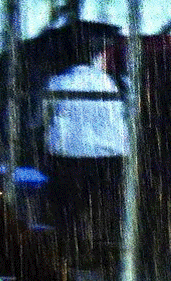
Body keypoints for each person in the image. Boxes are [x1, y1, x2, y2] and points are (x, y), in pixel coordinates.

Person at [43, 44, 129, 264]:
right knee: (101, 206)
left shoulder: (58, 82)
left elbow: (44, 118)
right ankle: (99, 250)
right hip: (110, 155)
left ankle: (71, 251)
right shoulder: (111, 82)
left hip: (69, 155)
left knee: (68, 207)